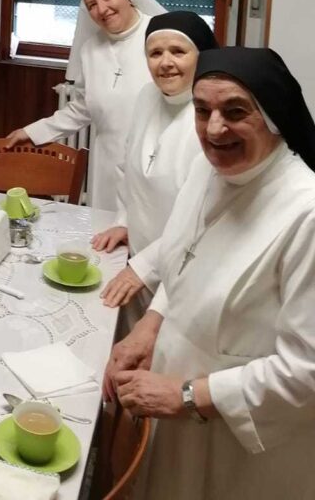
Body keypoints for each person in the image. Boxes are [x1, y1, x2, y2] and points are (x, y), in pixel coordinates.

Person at [105, 47, 315, 500]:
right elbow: (186, 260)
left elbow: (307, 370)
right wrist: (149, 326)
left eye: (235, 112)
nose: (214, 129)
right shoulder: (209, 170)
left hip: (243, 440)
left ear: (274, 117)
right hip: (174, 400)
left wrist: (186, 396)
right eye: (202, 111)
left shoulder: (306, 213)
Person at [6, 0, 164, 210]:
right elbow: (82, 108)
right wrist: (32, 132)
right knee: (107, 227)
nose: (102, 9)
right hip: (107, 163)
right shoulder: (91, 50)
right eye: (91, 5)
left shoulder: (162, 36)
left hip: (156, 160)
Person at [93, 11, 217, 315]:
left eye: (178, 52)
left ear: (202, 56)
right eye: (155, 53)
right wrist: (124, 221)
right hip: (136, 257)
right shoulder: (148, 96)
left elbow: (204, 217)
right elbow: (129, 169)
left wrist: (145, 266)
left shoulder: (212, 117)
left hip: (187, 271)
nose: (165, 62)